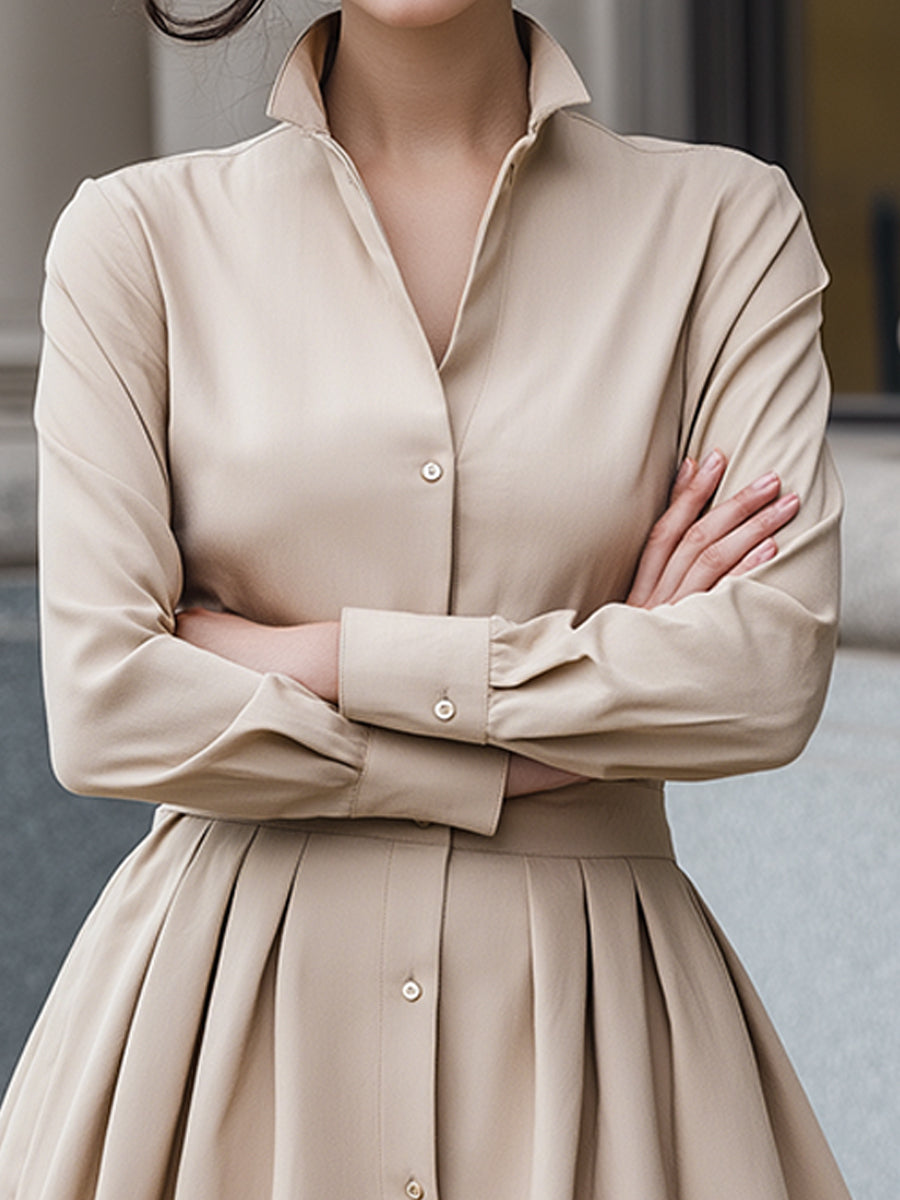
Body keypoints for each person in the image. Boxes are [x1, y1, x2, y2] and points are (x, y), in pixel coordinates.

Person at [0, 0, 854, 1196]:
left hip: (598, 1035)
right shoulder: (135, 240)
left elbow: (758, 679)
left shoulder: (726, 227)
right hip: (212, 1035)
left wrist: (308, 654)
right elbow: (105, 707)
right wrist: (561, 712)